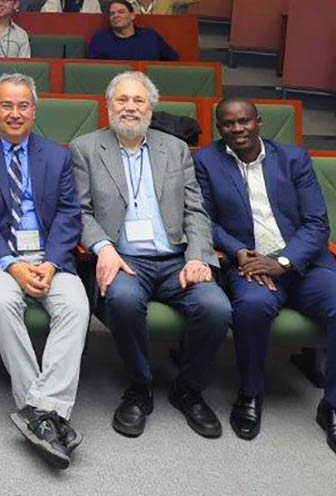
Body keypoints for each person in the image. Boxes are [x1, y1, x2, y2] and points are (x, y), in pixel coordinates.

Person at [70, 72, 231, 440]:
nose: (130, 107)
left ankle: (187, 389)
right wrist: (104, 248)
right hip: (124, 257)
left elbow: (196, 210)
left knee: (217, 308)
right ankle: (139, 387)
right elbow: (79, 211)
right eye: (122, 100)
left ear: (151, 107)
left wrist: (198, 256)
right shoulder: (86, 149)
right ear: (108, 105)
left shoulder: (174, 149)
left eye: (138, 101)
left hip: (177, 257)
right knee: (124, 301)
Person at [196, 99, 336, 462]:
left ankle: (334, 407)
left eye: (244, 122)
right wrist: (239, 252)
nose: (237, 129)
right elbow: (206, 221)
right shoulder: (205, 162)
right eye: (228, 124)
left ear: (259, 122)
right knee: (253, 307)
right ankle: (250, 393)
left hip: (304, 262)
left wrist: (283, 261)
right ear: (218, 128)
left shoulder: (293, 159)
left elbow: (317, 223)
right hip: (250, 262)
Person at [0, 73, 88, 468]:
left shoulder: (57, 155)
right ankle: (44, 411)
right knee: (0, 301)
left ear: (34, 110)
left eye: (23, 106)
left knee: (76, 306)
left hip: (51, 257)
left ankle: (39, 411)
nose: (15, 114)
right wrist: (13, 265)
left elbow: (69, 214)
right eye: (6, 105)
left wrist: (50, 263)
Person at [89, 2, 180, 60]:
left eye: (121, 12)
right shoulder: (100, 39)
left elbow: (173, 60)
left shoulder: (150, 36)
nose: (116, 15)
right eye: (112, 13)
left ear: (132, 15)